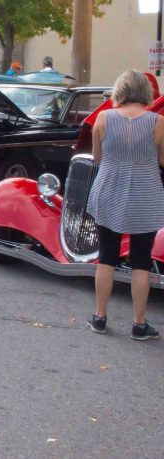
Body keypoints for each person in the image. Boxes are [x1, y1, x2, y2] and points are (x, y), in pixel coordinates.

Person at [86, 69, 164, 340]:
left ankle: (99, 317)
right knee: (141, 261)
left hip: (108, 191)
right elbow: (163, 160)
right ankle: (139, 324)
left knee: (106, 257)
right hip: (145, 195)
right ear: (146, 93)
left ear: (119, 91)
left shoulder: (103, 118)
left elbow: (96, 157)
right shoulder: (158, 122)